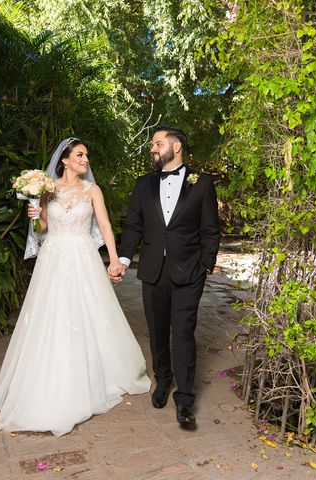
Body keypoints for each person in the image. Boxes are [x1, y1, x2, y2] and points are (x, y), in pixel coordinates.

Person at [0, 137, 150, 437]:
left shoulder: (92, 190)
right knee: (51, 317)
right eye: (81, 155)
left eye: (87, 156)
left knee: (89, 316)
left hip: (83, 256)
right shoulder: (46, 188)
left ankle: (91, 376)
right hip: (54, 258)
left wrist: (113, 259)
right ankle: (49, 381)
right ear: (65, 160)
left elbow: (105, 225)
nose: (86, 160)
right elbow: (42, 229)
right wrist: (34, 216)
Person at [112, 125, 221, 430]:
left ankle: (185, 399)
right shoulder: (144, 183)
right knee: (157, 330)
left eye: (158, 143)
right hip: (152, 271)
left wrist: (206, 265)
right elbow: (133, 225)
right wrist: (122, 259)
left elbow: (210, 229)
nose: (153, 148)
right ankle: (163, 380)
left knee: (184, 331)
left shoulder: (202, 184)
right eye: (152, 145)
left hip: (189, 271)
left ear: (177, 146)